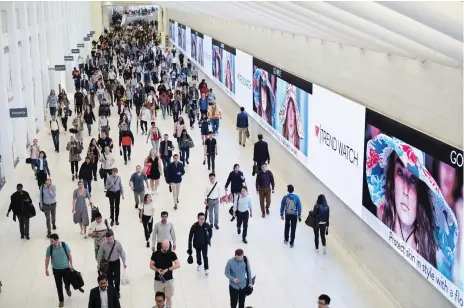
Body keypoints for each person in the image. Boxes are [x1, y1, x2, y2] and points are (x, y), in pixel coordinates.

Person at [150, 240, 181, 308]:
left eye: (167, 247)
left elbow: (178, 264)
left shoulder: (172, 254)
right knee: (159, 298)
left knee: (168, 297)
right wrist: (157, 270)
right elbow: (151, 265)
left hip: (169, 279)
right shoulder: (155, 254)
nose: (166, 249)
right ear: (161, 246)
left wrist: (167, 269)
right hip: (158, 280)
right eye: (164, 248)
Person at [45, 234, 73, 308]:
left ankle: (67, 288)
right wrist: (46, 269)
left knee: (67, 282)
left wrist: (71, 264)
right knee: (58, 285)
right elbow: (47, 258)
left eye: (52, 241)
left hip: (66, 268)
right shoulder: (50, 248)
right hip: (56, 270)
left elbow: (69, 255)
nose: (50, 242)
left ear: (57, 240)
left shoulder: (64, 245)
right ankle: (61, 300)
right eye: (50, 241)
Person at [97, 231, 127, 299]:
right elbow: (99, 255)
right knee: (109, 278)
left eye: (110, 239)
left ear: (113, 236)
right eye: (108, 239)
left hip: (116, 262)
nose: (109, 240)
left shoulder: (117, 243)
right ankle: (112, 291)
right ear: (106, 238)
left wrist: (124, 262)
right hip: (108, 264)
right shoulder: (103, 244)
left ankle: (117, 290)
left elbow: (122, 252)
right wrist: (98, 264)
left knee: (117, 278)